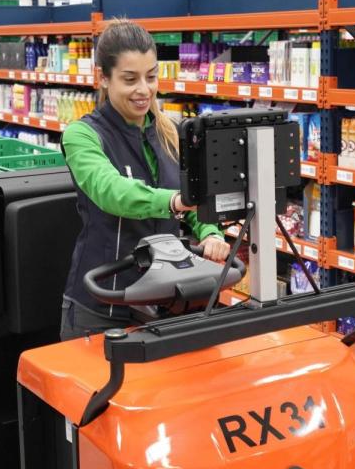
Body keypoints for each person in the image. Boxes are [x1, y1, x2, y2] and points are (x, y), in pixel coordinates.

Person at [59, 20, 229, 340]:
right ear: (104, 79)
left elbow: (193, 198)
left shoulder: (169, 132)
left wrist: (210, 231)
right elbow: (111, 191)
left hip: (165, 301)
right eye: (129, 79)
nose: (144, 90)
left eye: (151, 77)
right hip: (101, 307)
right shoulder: (82, 135)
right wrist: (171, 201)